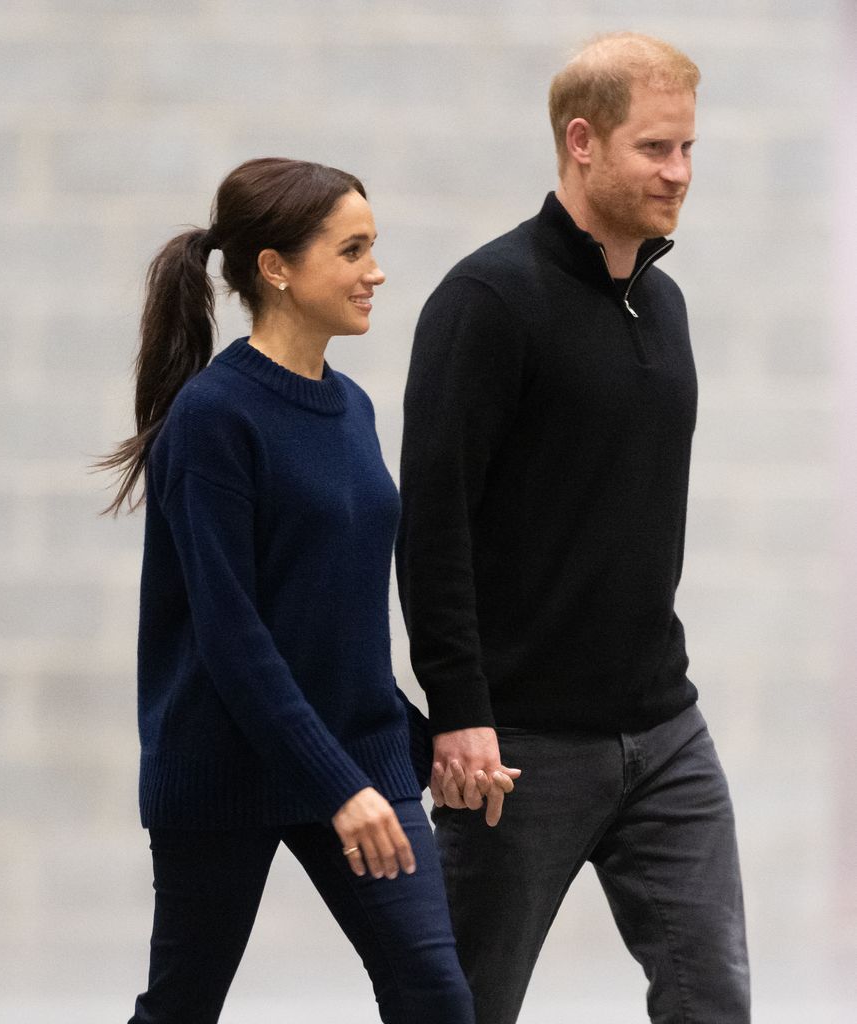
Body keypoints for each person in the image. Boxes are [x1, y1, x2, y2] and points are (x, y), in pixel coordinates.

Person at [397, 32, 751, 1024]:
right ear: (580, 141)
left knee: (712, 1001)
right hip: (517, 748)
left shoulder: (662, 303)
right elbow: (432, 525)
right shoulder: (487, 301)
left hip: (663, 729)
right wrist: (460, 709)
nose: (677, 172)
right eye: (654, 149)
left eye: (687, 149)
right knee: (458, 1009)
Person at [99, 157, 478, 1024]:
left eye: (373, 247)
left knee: (437, 999)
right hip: (225, 767)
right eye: (352, 251)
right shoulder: (213, 418)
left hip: (356, 759)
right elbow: (235, 641)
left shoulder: (351, 408)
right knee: (182, 1009)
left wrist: (422, 746)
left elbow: (334, 628)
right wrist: (339, 786)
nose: (375, 271)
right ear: (276, 267)